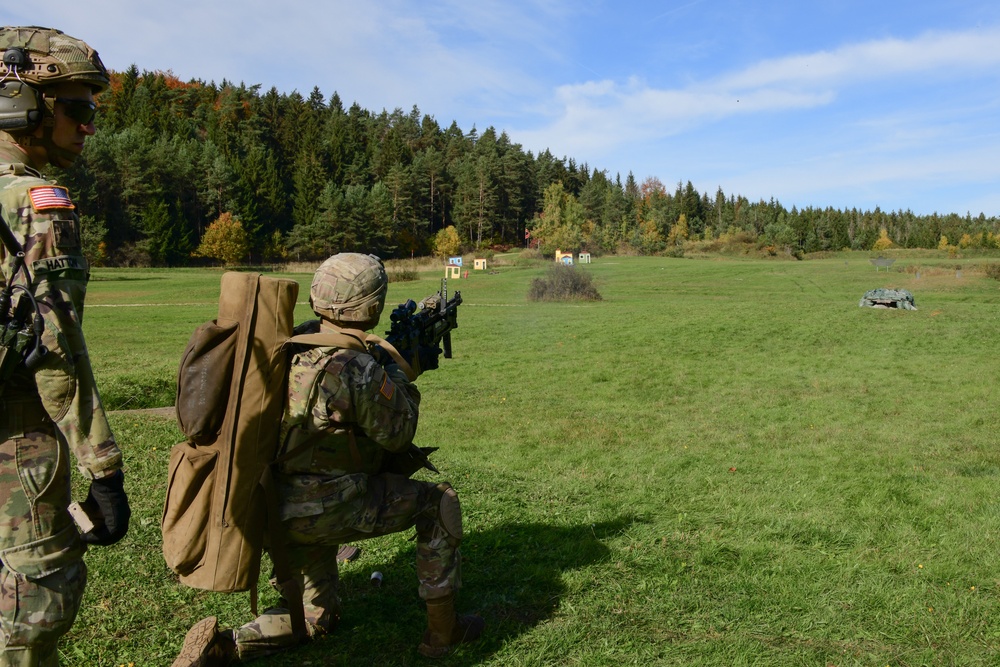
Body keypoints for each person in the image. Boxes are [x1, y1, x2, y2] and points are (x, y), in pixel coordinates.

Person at [173, 253, 482, 665]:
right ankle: (444, 632)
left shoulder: (288, 342)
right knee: (439, 503)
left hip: (271, 510)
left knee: (318, 617)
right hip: (330, 509)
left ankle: (225, 647)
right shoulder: (356, 368)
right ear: (371, 306)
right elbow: (398, 433)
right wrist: (404, 376)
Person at [0, 26, 130, 666]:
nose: (88, 127)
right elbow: (57, 356)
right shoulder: (36, 204)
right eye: (76, 109)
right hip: (16, 443)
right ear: (18, 102)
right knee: (34, 603)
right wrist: (103, 469)